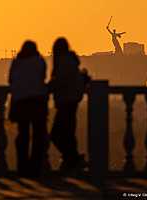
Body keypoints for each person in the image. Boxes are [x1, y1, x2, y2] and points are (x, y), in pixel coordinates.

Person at [49, 37, 91, 174]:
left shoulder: (63, 62)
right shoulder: (70, 62)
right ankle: (73, 161)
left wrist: (49, 86)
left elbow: (60, 81)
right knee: (68, 135)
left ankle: (73, 160)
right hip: (71, 102)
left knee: (57, 135)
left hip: (65, 102)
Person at [8, 40, 49, 178]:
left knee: (23, 135)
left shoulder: (16, 62)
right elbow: (43, 77)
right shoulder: (39, 61)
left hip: (21, 102)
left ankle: (22, 167)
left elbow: (10, 80)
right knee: (38, 136)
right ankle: (35, 167)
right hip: (37, 102)